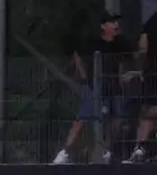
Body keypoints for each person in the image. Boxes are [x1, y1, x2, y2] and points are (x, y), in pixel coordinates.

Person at [52, 14, 135, 164]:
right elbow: (76, 52)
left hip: (114, 85)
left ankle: (107, 149)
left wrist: (126, 74)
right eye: (112, 22)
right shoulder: (93, 42)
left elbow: (131, 56)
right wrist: (82, 72)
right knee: (82, 118)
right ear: (103, 26)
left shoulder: (122, 42)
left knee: (117, 117)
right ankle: (66, 151)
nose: (116, 25)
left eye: (116, 22)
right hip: (94, 84)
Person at [127, 12, 157, 163]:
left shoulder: (152, 21)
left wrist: (142, 68)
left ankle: (140, 147)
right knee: (149, 110)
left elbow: (143, 47)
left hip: (152, 71)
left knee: (148, 110)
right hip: (152, 72)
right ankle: (140, 148)